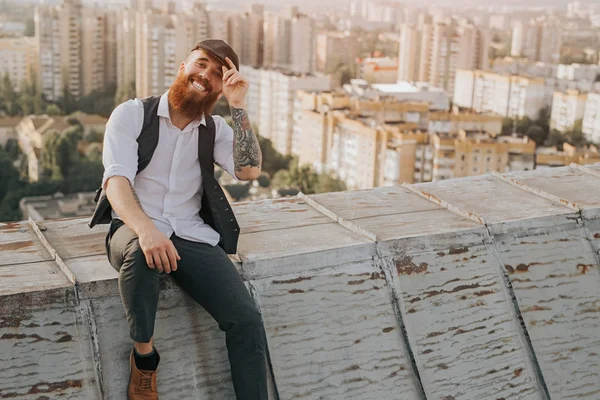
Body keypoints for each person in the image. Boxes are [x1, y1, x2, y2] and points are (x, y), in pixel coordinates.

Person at [100, 39, 268, 399]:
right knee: (143, 257)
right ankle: (144, 362)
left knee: (246, 319)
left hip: (190, 233)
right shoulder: (132, 114)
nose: (205, 75)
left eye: (216, 74)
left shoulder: (217, 129)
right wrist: (146, 230)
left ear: (221, 87)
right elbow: (116, 182)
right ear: (182, 67)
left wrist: (238, 106)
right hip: (131, 226)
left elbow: (250, 170)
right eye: (201, 64)